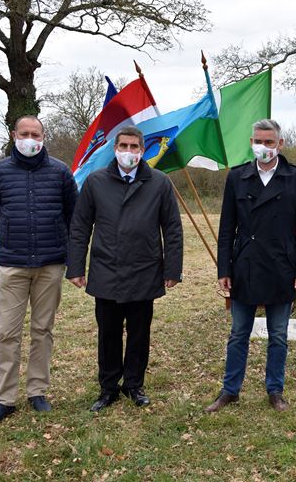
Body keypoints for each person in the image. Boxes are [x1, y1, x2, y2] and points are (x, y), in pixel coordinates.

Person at [66, 126, 183, 412]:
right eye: (123, 146)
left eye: (134, 147)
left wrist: (172, 269)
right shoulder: (95, 182)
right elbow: (80, 226)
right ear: (114, 148)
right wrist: (76, 267)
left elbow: (172, 229)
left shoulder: (160, 182)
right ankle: (108, 388)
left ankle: (134, 384)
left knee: (140, 333)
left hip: (145, 270)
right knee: (108, 333)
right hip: (106, 270)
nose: (128, 152)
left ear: (143, 151)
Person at [206, 119, 296, 413]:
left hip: (282, 266)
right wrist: (224, 270)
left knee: (278, 335)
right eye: (258, 141)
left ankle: (275, 391)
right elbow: (227, 227)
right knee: (239, 333)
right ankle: (230, 390)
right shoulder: (237, 177)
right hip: (245, 266)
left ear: (281, 144)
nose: (263, 147)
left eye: (269, 142)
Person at [0, 115, 78, 425]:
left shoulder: (61, 172)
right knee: (7, 333)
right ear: (14, 135)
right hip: (12, 266)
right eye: (24, 133)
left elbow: (72, 215)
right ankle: (4, 399)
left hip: (50, 265)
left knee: (42, 330)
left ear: (43, 136)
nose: (29, 138)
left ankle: (37, 391)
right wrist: (12, 238)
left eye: (34, 133)